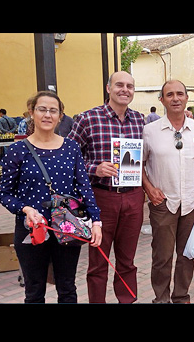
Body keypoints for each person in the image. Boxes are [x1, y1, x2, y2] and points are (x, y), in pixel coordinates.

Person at [0, 91, 102, 303]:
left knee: (67, 287)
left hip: (66, 228)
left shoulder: (71, 147)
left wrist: (96, 221)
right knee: (34, 290)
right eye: (42, 109)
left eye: (53, 110)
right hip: (31, 229)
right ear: (32, 112)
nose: (47, 115)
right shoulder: (17, 150)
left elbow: (84, 188)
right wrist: (26, 209)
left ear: (60, 116)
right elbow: (5, 195)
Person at [68, 71, 145, 303]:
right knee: (99, 260)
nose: (125, 90)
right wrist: (95, 168)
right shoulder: (87, 118)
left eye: (130, 86)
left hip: (133, 196)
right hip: (102, 198)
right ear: (108, 88)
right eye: (119, 85)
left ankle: (127, 300)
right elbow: (69, 157)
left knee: (127, 260)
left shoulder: (141, 120)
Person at [142, 80, 194, 303]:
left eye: (180, 94)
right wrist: (149, 189)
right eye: (169, 94)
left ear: (187, 98)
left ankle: (181, 297)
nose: (175, 98)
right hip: (163, 203)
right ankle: (161, 299)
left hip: (192, 203)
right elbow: (138, 164)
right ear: (162, 100)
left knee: (186, 256)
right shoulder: (150, 131)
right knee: (161, 257)